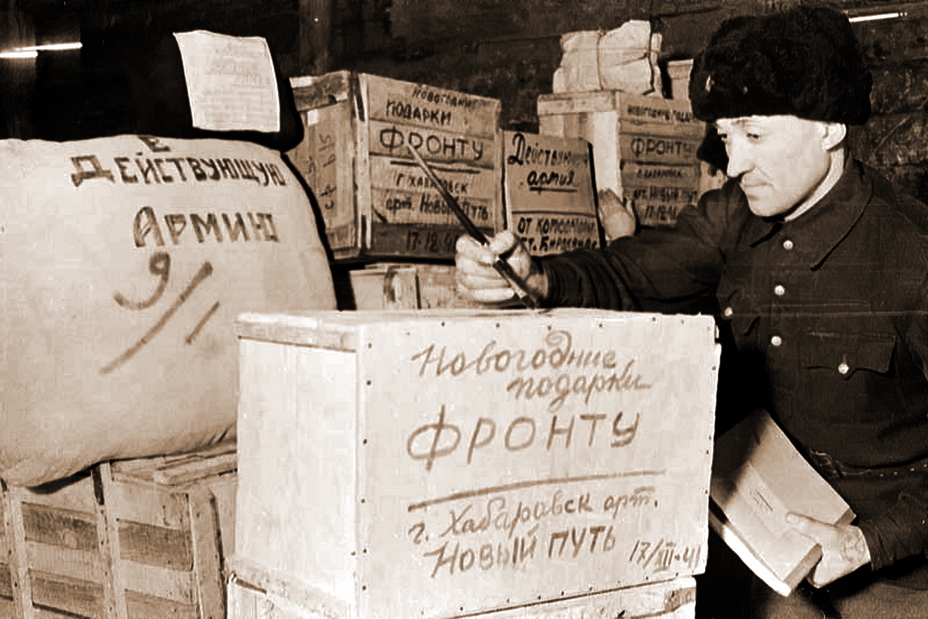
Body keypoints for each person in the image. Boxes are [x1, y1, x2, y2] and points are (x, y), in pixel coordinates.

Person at [455, 4, 928, 618]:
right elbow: (635, 272)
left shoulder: (912, 252)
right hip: (769, 541)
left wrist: (868, 542)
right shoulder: (736, 215)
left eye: (755, 135)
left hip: (892, 564)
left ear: (829, 128)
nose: (735, 164)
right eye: (728, 138)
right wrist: (537, 276)